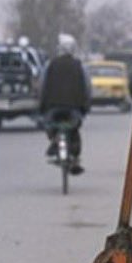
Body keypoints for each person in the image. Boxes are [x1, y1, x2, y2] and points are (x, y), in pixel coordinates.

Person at [39, 33, 91, 175]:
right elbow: (87, 87)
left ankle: (55, 142)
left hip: (52, 107)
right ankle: (74, 157)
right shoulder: (80, 66)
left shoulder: (49, 65)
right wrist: (86, 106)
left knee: (49, 125)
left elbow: (42, 86)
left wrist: (41, 105)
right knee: (74, 129)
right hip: (74, 107)